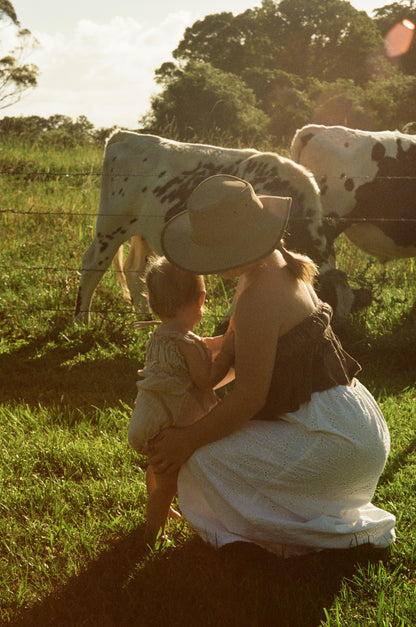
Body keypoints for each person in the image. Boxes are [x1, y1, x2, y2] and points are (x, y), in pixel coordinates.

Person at [146, 173, 396, 558]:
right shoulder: (275, 267)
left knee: (199, 461)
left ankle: (285, 529)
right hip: (350, 425)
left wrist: (186, 439)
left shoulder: (258, 299)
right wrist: (184, 353)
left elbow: (248, 398)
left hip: (335, 443)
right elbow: (236, 352)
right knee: (204, 448)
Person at [128, 256, 234, 546]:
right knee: (168, 484)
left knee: (156, 465)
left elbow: (201, 344)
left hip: (148, 419)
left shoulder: (159, 337)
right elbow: (206, 380)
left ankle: (157, 499)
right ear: (200, 300)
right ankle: (153, 534)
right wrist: (226, 354)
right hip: (169, 425)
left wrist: (220, 341)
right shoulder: (186, 346)